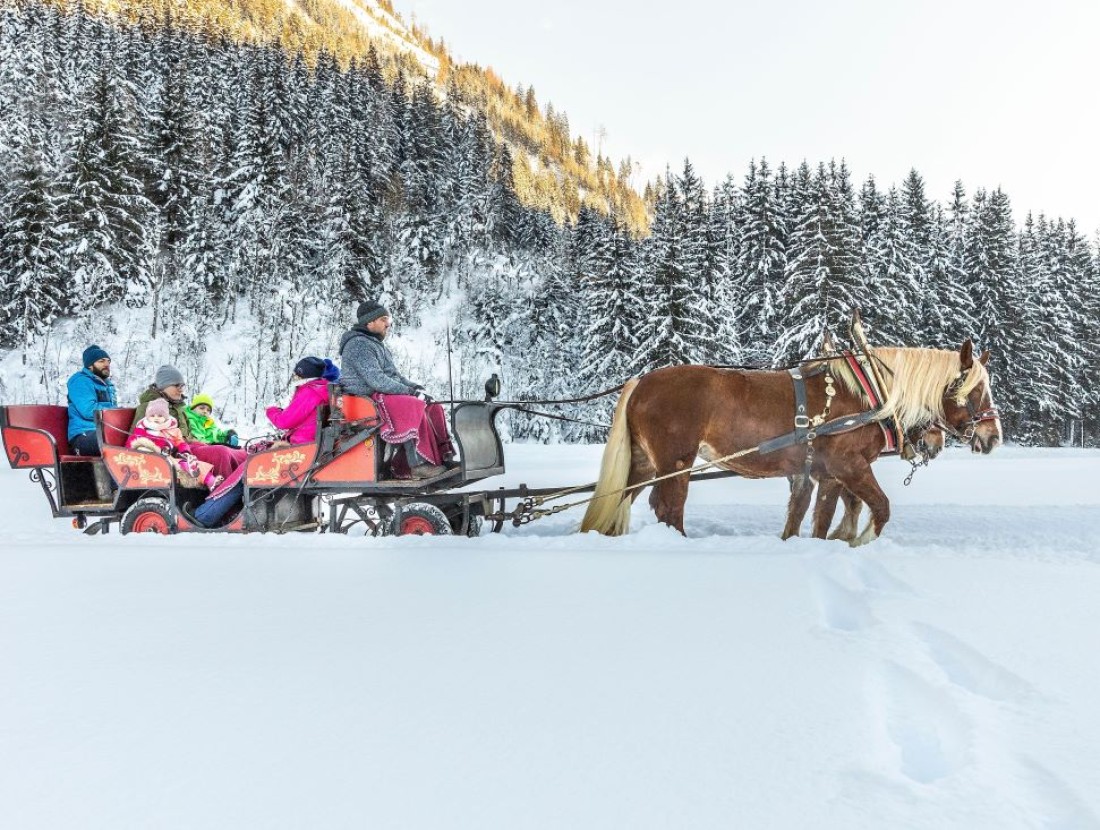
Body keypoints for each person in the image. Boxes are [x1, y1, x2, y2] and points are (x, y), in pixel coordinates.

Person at [190, 356, 339, 528]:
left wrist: (271, 411)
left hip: (300, 447)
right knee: (246, 464)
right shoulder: (322, 390)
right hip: (306, 445)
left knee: (245, 472)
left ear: (303, 375)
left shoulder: (310, 391)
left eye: (297, 374)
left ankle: (204, 516)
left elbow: (284, 421)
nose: (294, 377)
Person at [339, 300, 455, 479]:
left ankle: (440, 457)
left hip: (378, 395)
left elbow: (394, 376)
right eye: (383, 319)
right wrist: (410, 393)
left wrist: (414, 387)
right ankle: (417, 465)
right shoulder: (358, 345)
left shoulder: (375, 344)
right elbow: (376, 380)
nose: (388, 324)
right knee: (412, 405)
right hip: (363, 399)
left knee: (434, 406)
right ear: (369, 322)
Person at [132, 365, 246, 479]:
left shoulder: (179, 408)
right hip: (175, 452)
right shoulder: (149, 407)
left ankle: (243, 483)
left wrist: (212, 441)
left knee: (242, 453)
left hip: (188, 446)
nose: (181, 389)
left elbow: (190, 433)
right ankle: (225, 487)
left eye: (182, 386)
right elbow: (137, 438)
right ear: (163, 386)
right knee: (221, 452)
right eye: (176, 385)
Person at [127, 398, 220, 490]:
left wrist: (185, 452)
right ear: (147, 416)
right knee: (145, 447)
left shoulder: (173, 430)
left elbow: (181, 443)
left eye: (160, 415)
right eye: (152, 415)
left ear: (166, 417)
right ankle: (189, 468)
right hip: (153, 458)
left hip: (171, 458)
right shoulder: (141, 429)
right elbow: (131, 444)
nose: (156, 418)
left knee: (191, 464)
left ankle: (211, 481)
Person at [66, 345, 117, 455]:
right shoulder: (80, 381)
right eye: (101, 361)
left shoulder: (108, 385)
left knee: (133, 437)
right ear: (90, 365)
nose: (107, 364)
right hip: (82, 435)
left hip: (102, 431)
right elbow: (89, 410)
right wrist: (115, 412)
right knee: (114, 440)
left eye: (108, 361)